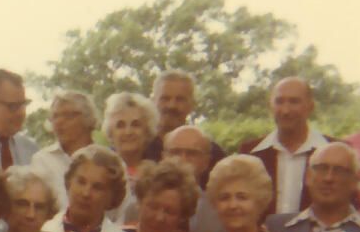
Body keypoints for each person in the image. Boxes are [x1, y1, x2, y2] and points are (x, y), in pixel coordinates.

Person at [240, 77, 334, 216]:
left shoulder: (334, 153)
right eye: (279, 102)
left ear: (310, 106)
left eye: (294, 102)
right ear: (270, 106)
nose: (285, 110)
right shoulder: (250, 154)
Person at [144, 71, 225, 179]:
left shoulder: (212, 152)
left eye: (180, 99)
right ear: (153, 101)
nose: (172, 105)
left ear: (192, 105)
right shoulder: (140, 148)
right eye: (165, 99)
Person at [29, 90, 97, 207]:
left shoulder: (108, 160)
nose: (59, 122)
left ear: (88, 119)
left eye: (68, 116)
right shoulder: (42, 160)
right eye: (55, 116)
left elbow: (121, 210)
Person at [163, 125, 225, 232]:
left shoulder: (219, 213)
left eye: (192, 153)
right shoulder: (141, 205)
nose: (182, 159)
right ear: (163, 157)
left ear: (206, 162)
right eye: (175, 152)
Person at [103, 90, 158, 222]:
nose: (128, 132)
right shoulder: (100, 170)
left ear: (147, 131)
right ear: (111, 133)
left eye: (136, 124)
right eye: (120, 125)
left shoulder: (158, 174)